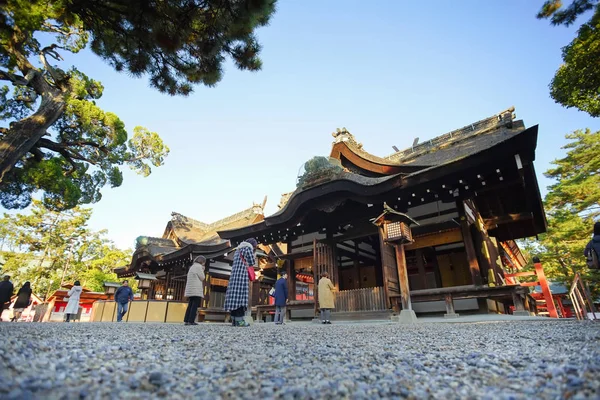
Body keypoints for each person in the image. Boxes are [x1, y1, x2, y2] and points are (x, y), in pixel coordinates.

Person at [224, 238, 257, 327]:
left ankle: (234, 321)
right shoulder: (248, 248)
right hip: (241, 276)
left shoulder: (237, 250)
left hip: (234, 276)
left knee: (234, 297)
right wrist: (254, 254)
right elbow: (252, 262)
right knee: (241, 297)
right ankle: (240, 322)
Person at [184, 256, 206, 326]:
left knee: (190, 305)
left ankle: (186, 320)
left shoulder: (192, 267)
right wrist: (203, 270)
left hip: (190, 289)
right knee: (194, 305)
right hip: (196, 289)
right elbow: (202, 277)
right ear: (202, 262)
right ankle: (191, 320)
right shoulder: (199, 267)